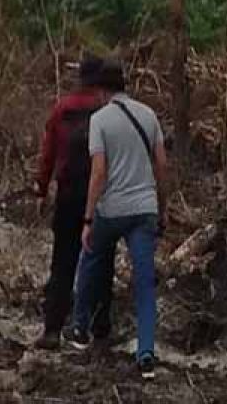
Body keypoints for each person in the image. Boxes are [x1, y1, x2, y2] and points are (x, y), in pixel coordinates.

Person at [65, 58, 168, 380]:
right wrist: (161, 208)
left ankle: (80, 328)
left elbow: (99, 172)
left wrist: (87, 219)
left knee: (90, 261)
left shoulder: (100, 120)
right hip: (144, 210)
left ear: (100, 90)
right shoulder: (148, 115)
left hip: (112, 211)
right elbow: (161, 167)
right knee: (144, 282)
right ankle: (146, 351)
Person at [33, 56, 116, 350]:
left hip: (68, 196)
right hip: (101, 198)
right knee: (101, 261)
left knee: (62, 262)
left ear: (81, 77)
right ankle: (100, 327)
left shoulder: (62, 109)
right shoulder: (107, 111)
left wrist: (41, 189)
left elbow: (48, 153)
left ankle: (53, 328)